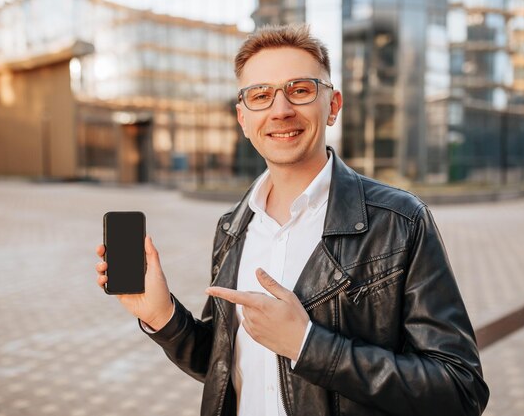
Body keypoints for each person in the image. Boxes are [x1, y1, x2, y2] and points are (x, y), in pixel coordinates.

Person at [95, 24, 489, 416]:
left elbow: (460, 389)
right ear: (243, 119)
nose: (280, 110)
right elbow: (225, 365)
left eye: (299, 90)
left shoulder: (400, 222)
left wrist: (307, 345)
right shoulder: (232, 226)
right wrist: (160, 315)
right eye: (260, 95)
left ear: (332, 105)